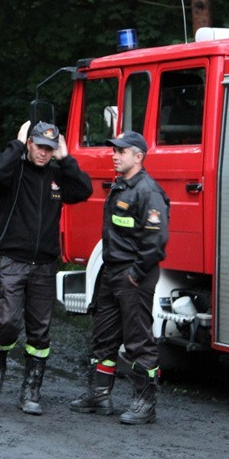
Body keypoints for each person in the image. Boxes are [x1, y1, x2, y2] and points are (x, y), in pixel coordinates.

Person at [0, 120, 92, 415]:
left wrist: (66, 158)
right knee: (6, 323)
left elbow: (84, 190)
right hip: (12, 260)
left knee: (40, 333)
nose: (44, 153)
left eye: (49, 148)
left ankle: (31, 391)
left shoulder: (57, 176)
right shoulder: (13, 172)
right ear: (29, 144)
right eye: (39, 146)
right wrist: (17, 143)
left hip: (44, 264)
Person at [69, 130, 169, 424]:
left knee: (139, 341)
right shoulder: (121, 187)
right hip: (113, 274)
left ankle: (145, 405)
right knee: (104, 337)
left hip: (132, 277)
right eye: (114, 151)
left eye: (121, 151)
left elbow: (157, 240)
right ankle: (99, 396)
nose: (114, 155)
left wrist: (136, 274)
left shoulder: (148, 192)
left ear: (138, 157)